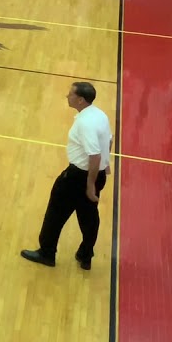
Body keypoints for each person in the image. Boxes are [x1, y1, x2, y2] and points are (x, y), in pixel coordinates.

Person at [20, 81, 112, 271]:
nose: (66, 96)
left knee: (55, 212)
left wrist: (89, 184)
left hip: (79, 177)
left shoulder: (85, 123)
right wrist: (106, 166)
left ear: (80, 100)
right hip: (97, 174)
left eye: (70, 94)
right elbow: (108, 140)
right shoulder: (99, 114)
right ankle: (85, 255)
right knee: (89, 216)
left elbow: (94, 154)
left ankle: (47, 252)